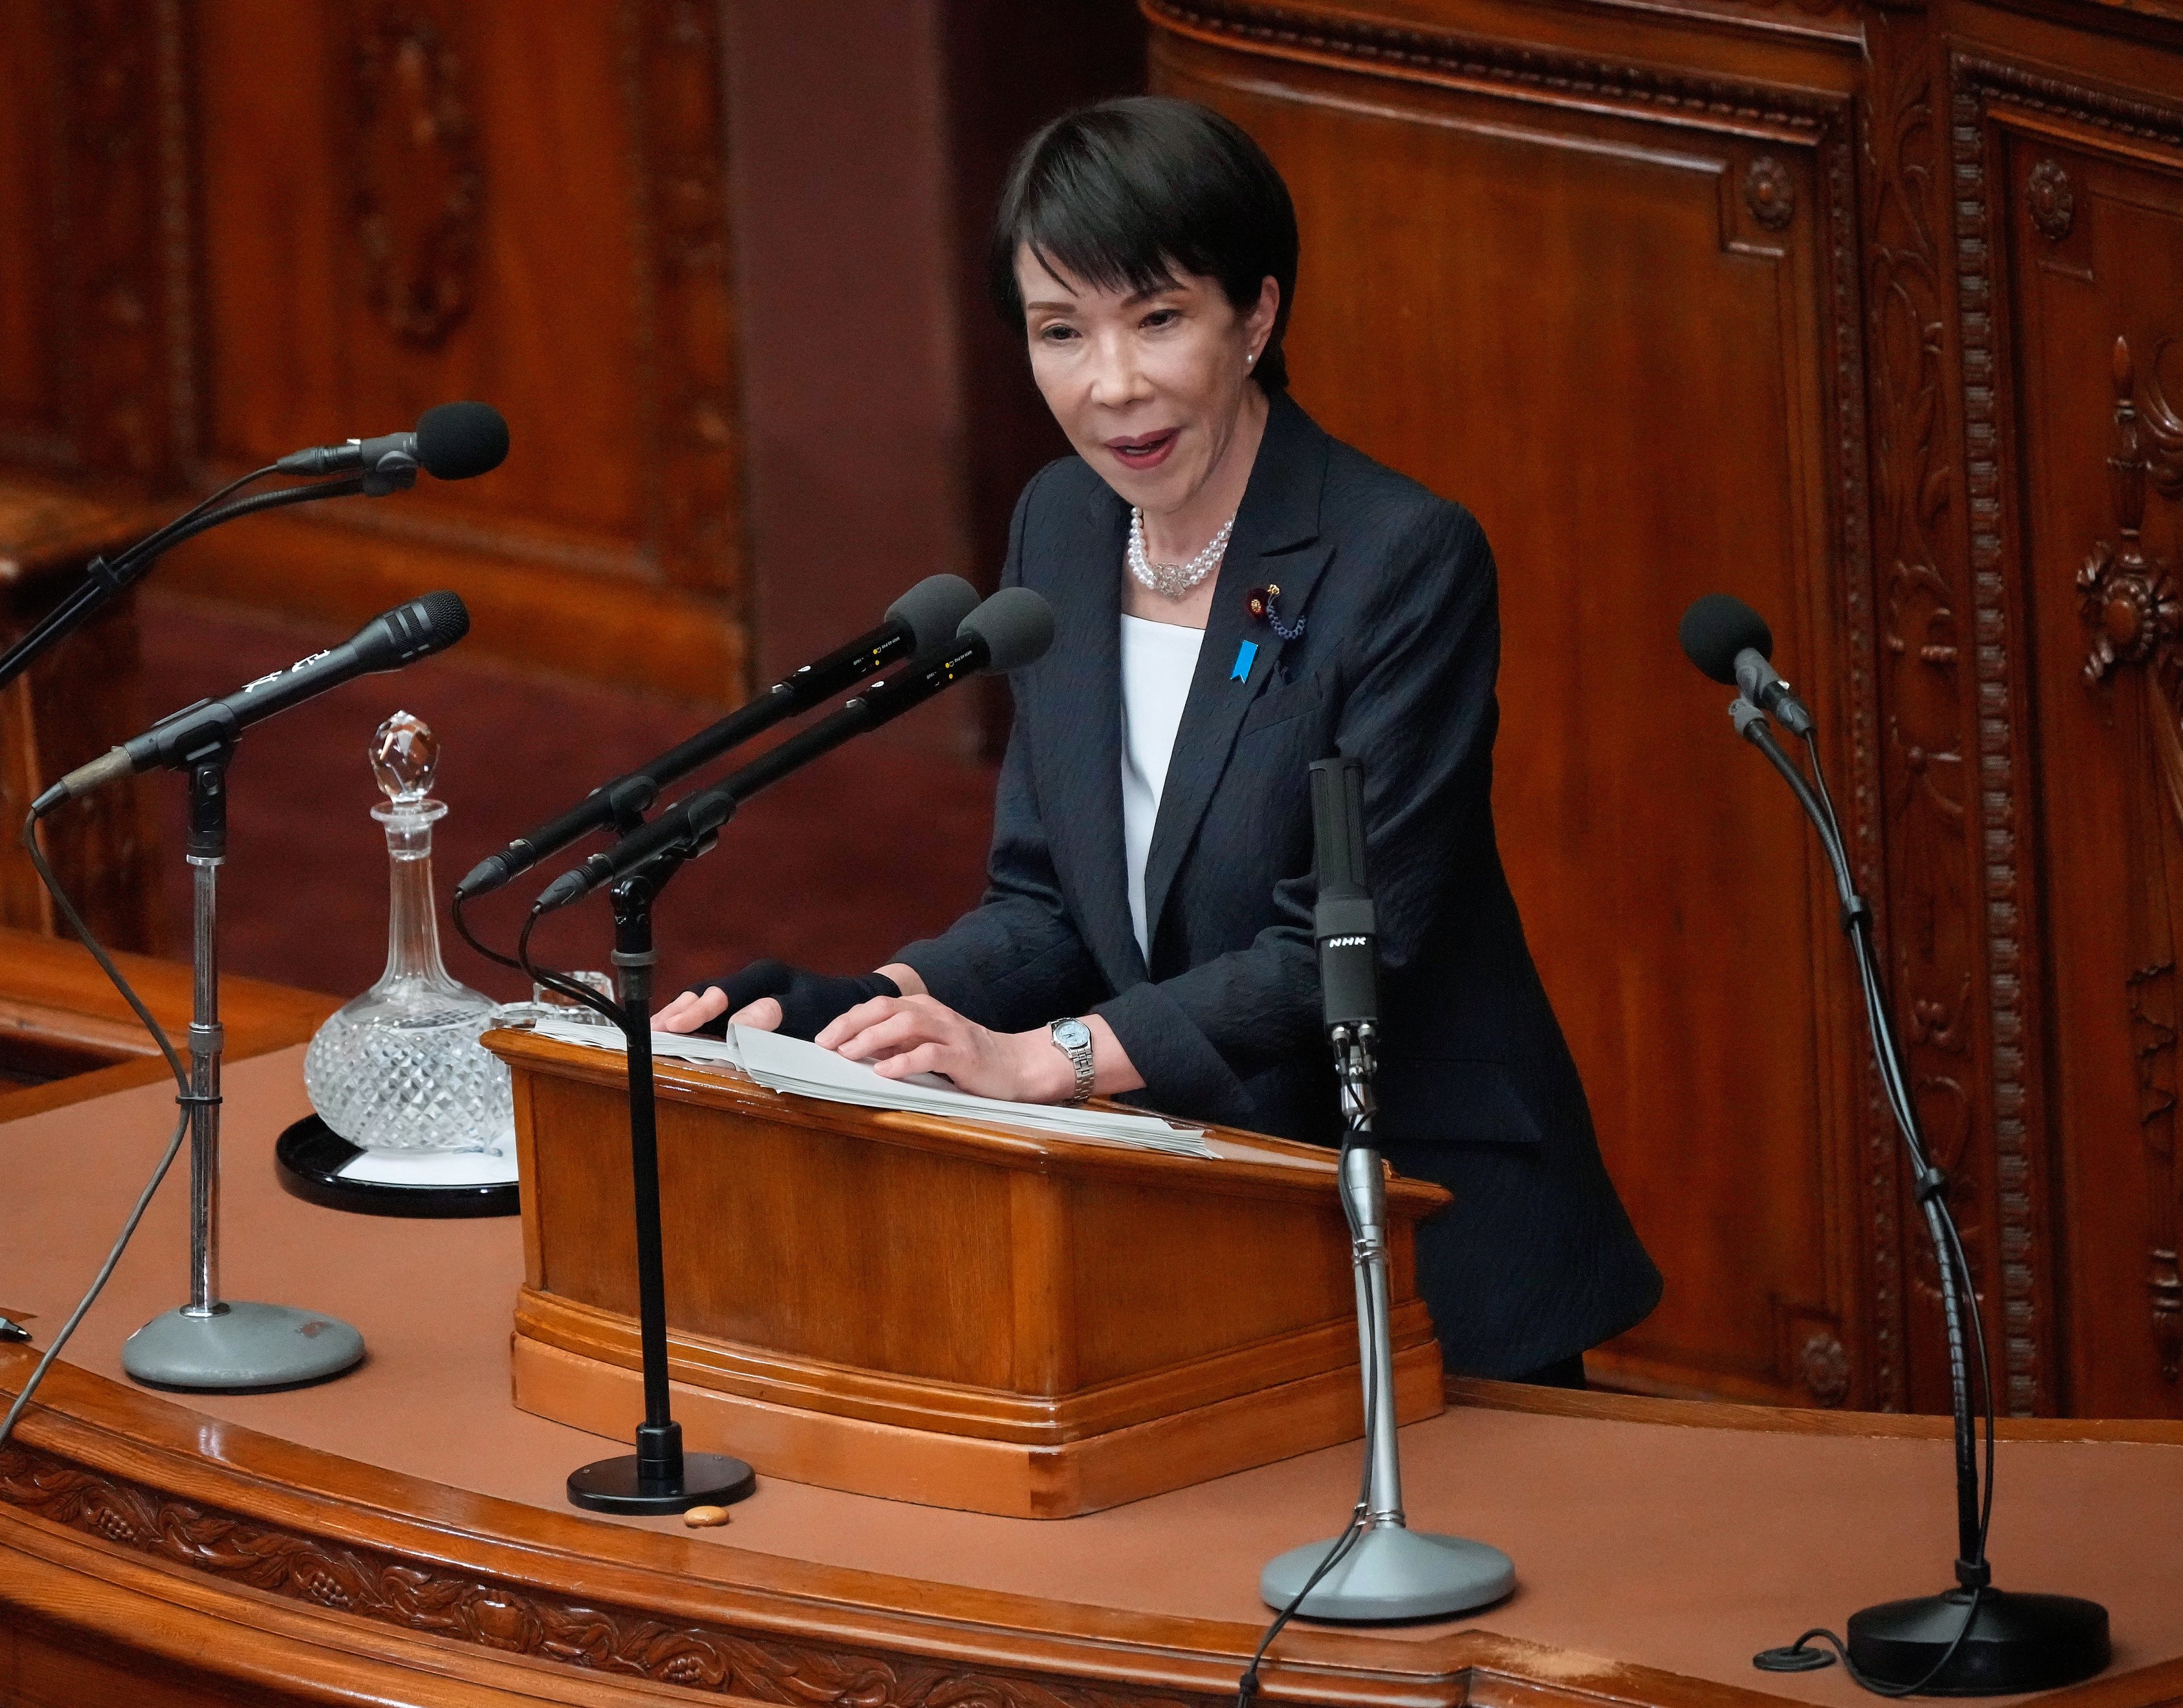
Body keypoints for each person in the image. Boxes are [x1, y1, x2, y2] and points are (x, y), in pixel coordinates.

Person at [657, 96, 1658, 1385]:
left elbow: (1338, 948)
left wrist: (1043, 1061)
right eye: (1060, 331)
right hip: (1191, 1219)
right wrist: (875, 1015)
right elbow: (1046, 902)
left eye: (1158, 318)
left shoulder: (1398, 559)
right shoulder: (1061, 529)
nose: (1111, 384)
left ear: (1255, 316)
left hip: (1414, 1219)